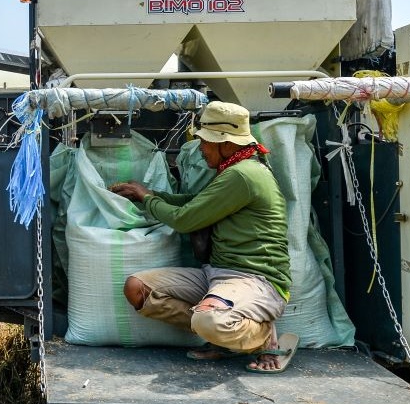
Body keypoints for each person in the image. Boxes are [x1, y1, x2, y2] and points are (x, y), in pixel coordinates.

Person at [109, 101, 296, 373]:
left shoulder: (244, 175)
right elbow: (196, 203)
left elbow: (185, 219)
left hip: (255, 280)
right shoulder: (233, 170)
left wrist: (148, 199)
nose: (200, 148)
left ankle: (259, 336)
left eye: (206, 142)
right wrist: (149, 194)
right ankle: (224, 331)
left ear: (228, 145)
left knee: (207, 319)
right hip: (216, 275)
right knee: (137, 289)